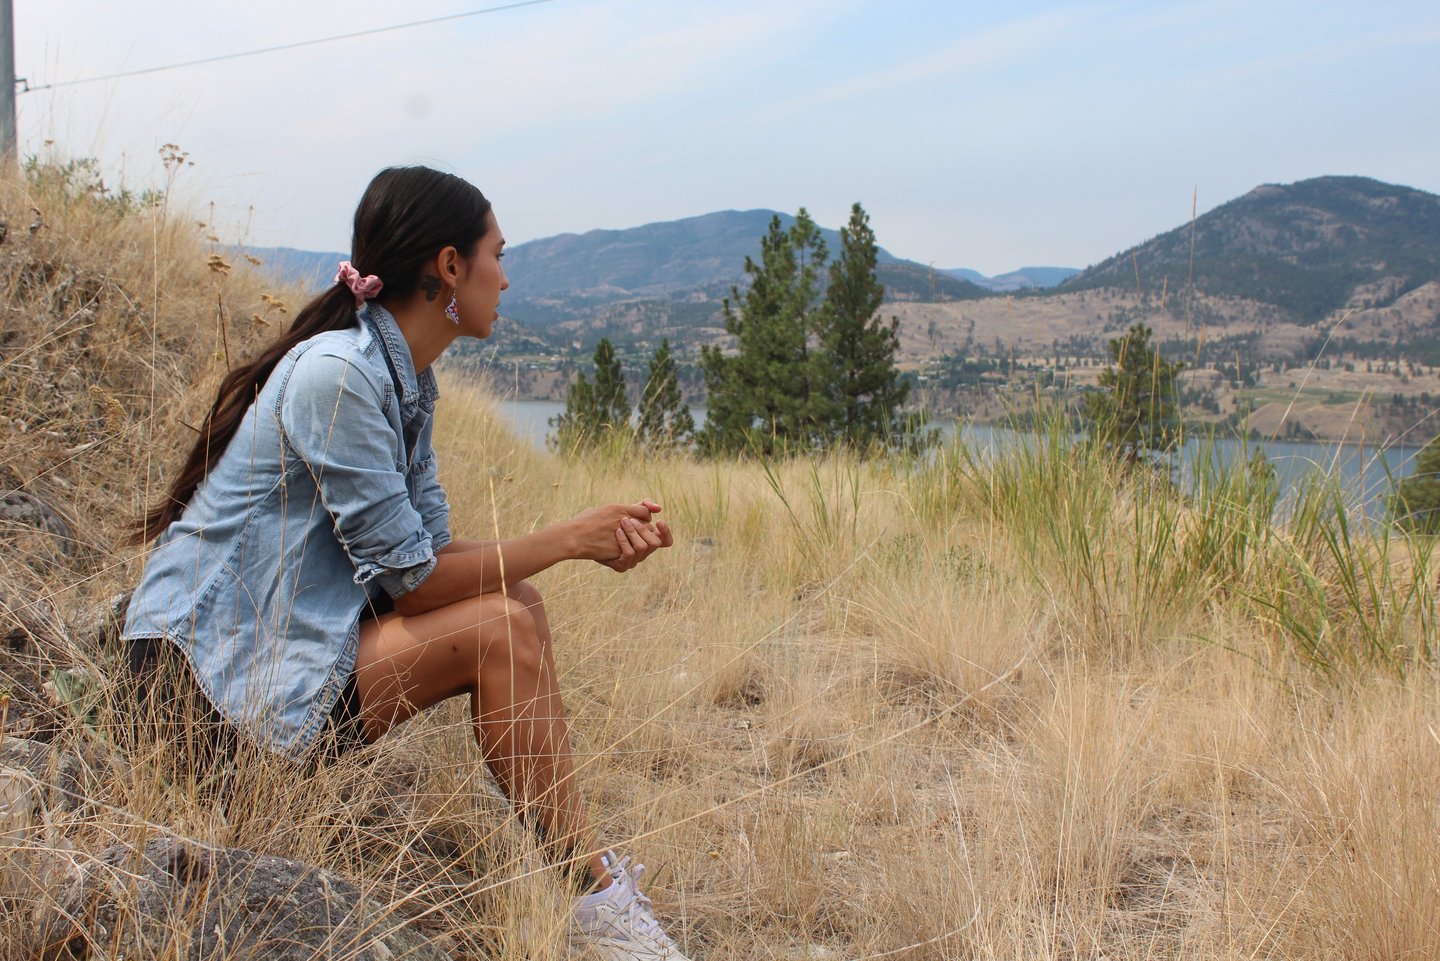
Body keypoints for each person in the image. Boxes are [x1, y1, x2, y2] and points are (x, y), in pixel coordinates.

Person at [122, 165, 693, 961]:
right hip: (196, 694)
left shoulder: (403, 381)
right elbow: (419, 588)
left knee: (516, 603)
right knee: (499, 626)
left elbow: (423, 561)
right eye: (498, 251)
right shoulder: (340, 376)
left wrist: (579, 544)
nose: (507, 272)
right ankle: (594, 898)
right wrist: (572, 538)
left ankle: (591, 881)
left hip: (265, 664)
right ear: (450, 267)